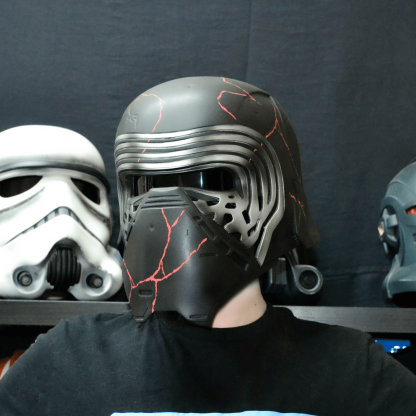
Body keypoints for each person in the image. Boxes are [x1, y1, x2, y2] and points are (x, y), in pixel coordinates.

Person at [1, 77, 415, 416]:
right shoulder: (68, 360)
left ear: (280, 193)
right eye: (146, 185)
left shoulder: (353, 372)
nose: (169, 211)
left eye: (212, 180)